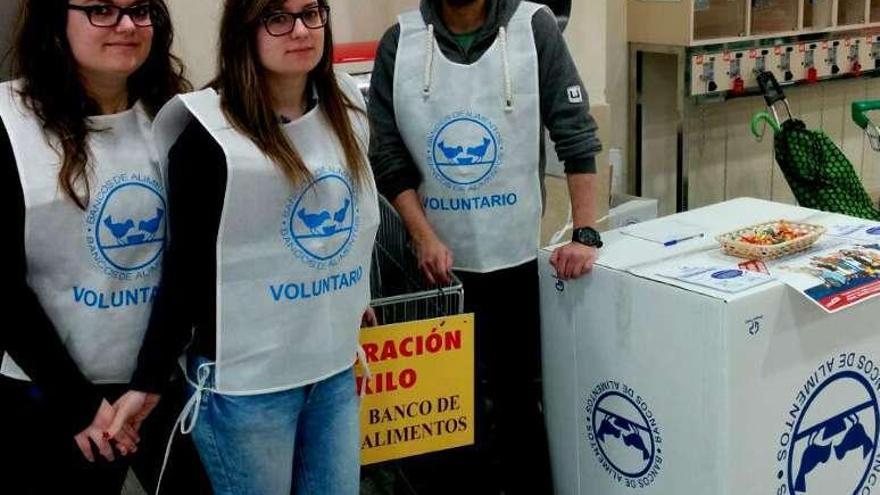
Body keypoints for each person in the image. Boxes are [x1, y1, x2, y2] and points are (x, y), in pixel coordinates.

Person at [108, 1, 379, 494]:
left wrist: (351, 297)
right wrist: (147, 381)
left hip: (330, 367)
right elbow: (186, 270)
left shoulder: (345, 106)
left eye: (311, 13)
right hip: (247, 384)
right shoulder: (210, 133)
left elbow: (352, 223)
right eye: (278, 17)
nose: (299, 30)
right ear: (246, 32)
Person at [368, 0, 603, 493]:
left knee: (519, 404)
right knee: (449, 416)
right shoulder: (401, 41)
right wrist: (421, 234)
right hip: (435, 276)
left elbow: (575, 132)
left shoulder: (533, 27)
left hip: (515, 265)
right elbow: (386, 153)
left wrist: (585, 231)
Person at [0, 0, 206, 493]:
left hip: (159, 382)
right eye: (101, 11)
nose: (128, 26)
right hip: (48, 388)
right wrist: (80, 405)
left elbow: (193, 261)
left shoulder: (180, 115)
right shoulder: (8, 121)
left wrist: (151, 381)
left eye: (140, 10)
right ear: (56, 22)